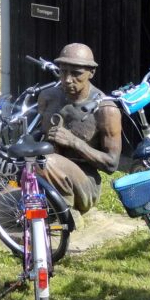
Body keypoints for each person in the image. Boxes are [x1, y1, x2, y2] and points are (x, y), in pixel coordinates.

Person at [37, 43, 122, 226]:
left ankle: (64, 215)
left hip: (84, 184)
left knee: (47, 161)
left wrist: (74, 142)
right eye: (63, 71)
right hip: (44, 176)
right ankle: (41, 211)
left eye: (76, 73)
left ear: (91, 72)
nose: (67, 79)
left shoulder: (105, 110)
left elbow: (112, 163)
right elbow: (39, 135)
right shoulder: (48, 97)